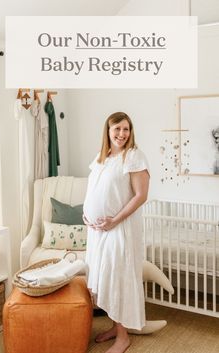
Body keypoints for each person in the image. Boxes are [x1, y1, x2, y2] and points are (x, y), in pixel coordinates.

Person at [83, 112, 150, 353]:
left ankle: (123, 337)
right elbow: (93, 190)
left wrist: (114, 220)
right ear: (108, 131)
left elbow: (141, 196)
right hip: (98, 231)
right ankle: (115, 326)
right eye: (117, 129)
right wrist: (86, 214)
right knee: (105, 278)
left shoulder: (133, 156)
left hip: (119, 228)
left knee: (117, 277)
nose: (122, 134)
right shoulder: (102, 158)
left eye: (126, 129)